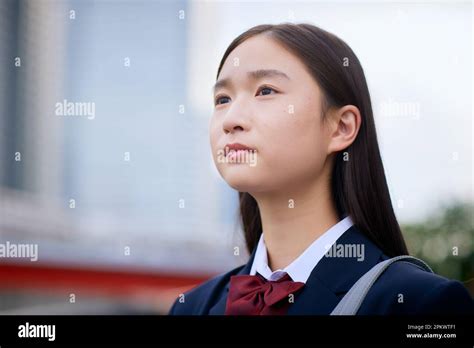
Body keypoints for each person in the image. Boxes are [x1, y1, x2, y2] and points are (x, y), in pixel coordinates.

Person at [169, 23, 473, 315]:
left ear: (341, 127)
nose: (230, 119)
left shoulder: (418, 303)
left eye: (266, 91)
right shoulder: (193, 307)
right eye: (222, 99)